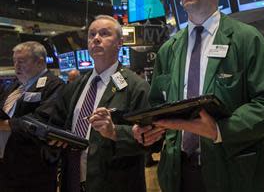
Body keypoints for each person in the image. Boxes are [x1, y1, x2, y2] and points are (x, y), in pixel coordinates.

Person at [133, 0, 264, 192]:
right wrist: (147, 130)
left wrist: (219, 130)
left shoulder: (245, 38)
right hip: (179, 173)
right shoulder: (169, 49)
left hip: (233, 170)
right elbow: (158, 106)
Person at [49, 15, 151, 192]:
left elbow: (151, 140)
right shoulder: (75, 87)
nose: (96, 38)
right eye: (92, 35)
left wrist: (115, 132)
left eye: (104, 34)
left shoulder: (136, 86)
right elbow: (58, 126)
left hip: (115, 184)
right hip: (72, 181)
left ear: (120, 43)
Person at [0, 41, 64, 192]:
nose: (16, 66)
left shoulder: (54, 85)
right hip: (6, 164)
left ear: (40, 62)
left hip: (32, 166)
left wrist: (6, 125)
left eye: (21, 61)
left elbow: (43, 120)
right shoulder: (14, 86)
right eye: (15, 61)